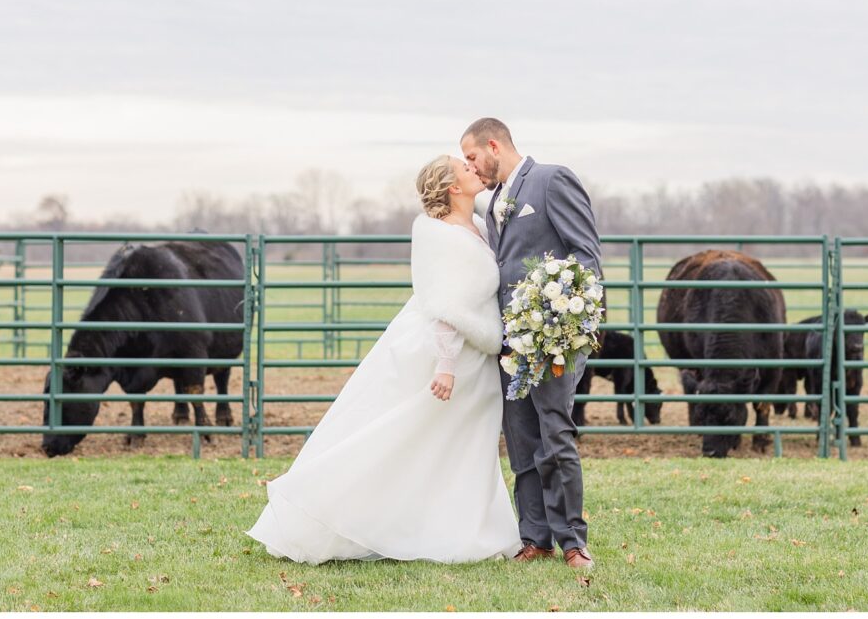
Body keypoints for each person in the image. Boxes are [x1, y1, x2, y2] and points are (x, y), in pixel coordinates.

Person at [245, 155, 522, 565]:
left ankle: (463, 530)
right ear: (453, 187)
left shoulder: (479, 226)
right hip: (448, 355)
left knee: (459, 448)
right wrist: (445, 365)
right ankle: (332, 507)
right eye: (464, 168)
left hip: (477, 356)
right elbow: (444, 302)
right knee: (405, 439)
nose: (472, 168)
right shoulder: (441, 237)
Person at [461, 117, 603, 570]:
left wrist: (559, 323)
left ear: (493, 145)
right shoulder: (495, 202)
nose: (471, 167)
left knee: (555, 435)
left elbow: (586, 257)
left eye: (471, 157)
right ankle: (534, 537)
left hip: (553, 339)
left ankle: (573, 542)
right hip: (510, 344)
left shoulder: (551, 180)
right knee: (521, 441)